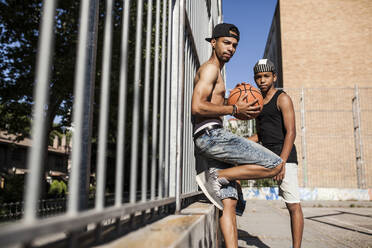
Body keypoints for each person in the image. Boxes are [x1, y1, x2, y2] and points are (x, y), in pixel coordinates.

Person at [191, 23, 284, 248]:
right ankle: (220, 174)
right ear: (213, 42)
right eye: (226, 42)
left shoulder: (218, 71)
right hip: (211, 135)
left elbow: (211, 103)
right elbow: (197, 107)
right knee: (275, 164)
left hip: (213, 135)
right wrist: (234, 109)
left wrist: (232, 103)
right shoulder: (211, 69)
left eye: (235, 45)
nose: (231, 48)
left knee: (229, 201)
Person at [249, 58, 304, 248]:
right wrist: (241, 141)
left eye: (266, 76)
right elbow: (261, 134)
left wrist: (282, 161)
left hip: (284, 157)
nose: (262, 80)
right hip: (266, 155)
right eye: (258, 77)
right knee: (235, 173)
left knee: (293, 205)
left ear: (274, 77)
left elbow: (291, 132)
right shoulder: (257, 101)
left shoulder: (282, 98)